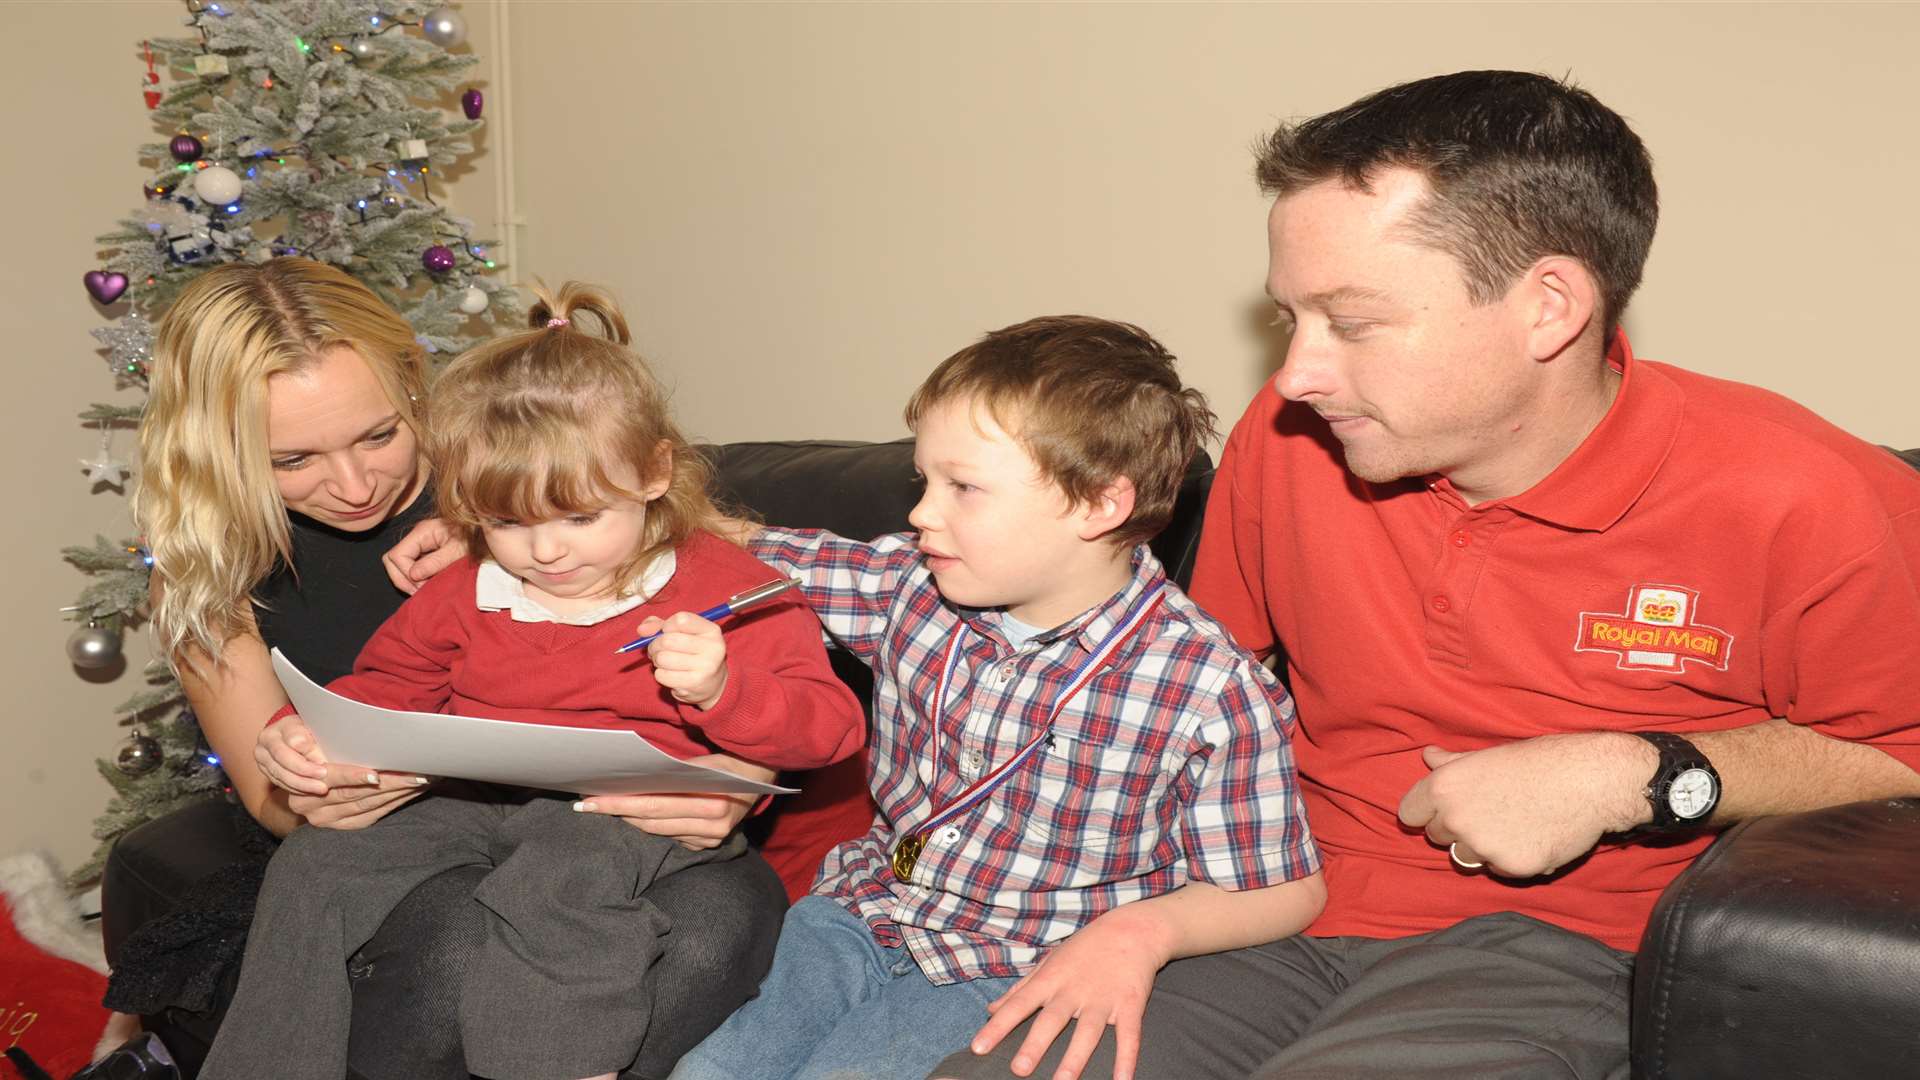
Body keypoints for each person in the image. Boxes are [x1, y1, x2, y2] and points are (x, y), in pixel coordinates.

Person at [937, 70, 1920, 1080]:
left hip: (1553, 952)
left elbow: (1905, 748)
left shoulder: (1810, 496)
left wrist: (1641, 772)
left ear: (1549, 308)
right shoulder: (1292, 444)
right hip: (1270, 907)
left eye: (1352, 323)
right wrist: (1138, 915)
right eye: (1290, 320)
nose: (1293, 376)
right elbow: (1184, 687)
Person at [109, 258, 842, 1080]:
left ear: (418, 393)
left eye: (380, 435)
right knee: (447, 926)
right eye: (293, 460)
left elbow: (761, 629)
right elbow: (332, 736)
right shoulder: (227, 567)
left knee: (691, 929)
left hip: (618, 823)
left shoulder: (539, 468)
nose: (354, 486)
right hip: (415, 822)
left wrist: (733, 770)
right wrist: (316, 763)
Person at [671, 315, 1325, 1080]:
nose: (921, 514)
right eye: (924, 481)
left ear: (1099, 506)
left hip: (1015, 964)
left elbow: (1285, 891)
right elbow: (755, 551)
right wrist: (647, 509)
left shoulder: (1208, 689)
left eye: (963, 488)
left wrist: (1143, 934)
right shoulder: (909, 587)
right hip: (858, 914)